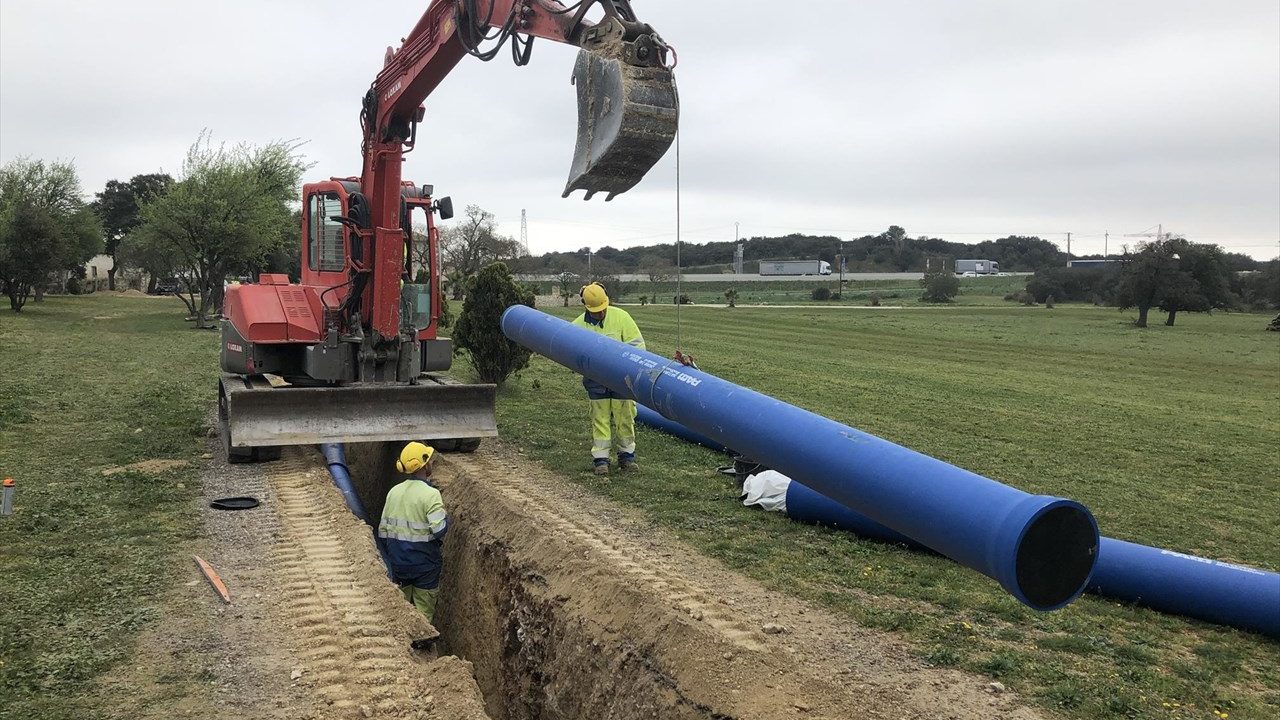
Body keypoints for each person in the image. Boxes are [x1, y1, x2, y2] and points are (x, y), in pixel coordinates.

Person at [571, 282, 646, 475]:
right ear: (586, 307)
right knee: (600, 418)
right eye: (596, 311)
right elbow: (570, 353)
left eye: (603, 309)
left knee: (625, 417)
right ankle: (601, 459)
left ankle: (627, 457)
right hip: (595, 381)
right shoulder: (578, 326)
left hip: (622, 380)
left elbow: (638, 347)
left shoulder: (622, 317)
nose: (600, 314)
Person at [378, 442, 448, 646]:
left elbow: (383, 532)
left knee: (403, 605)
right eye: (430, 459)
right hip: (425, 563)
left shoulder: (394, 492)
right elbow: (439, 530)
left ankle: (401, 642)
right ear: (424, 466)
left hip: (398, 561)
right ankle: (421, 644)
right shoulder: (431, 495)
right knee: (423, 608)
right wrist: (447, 519)